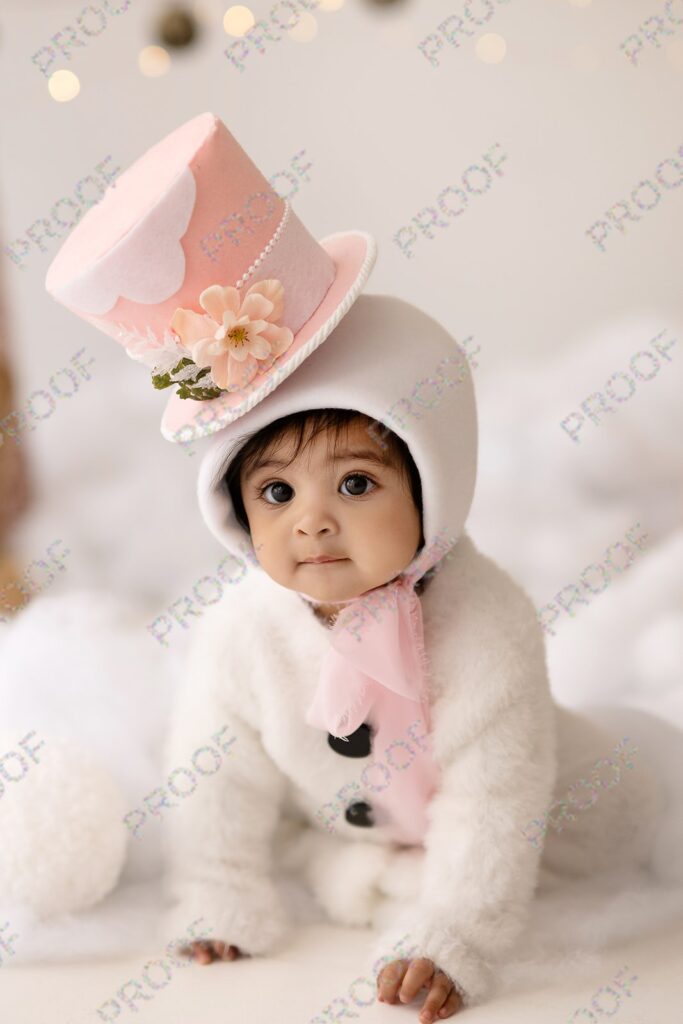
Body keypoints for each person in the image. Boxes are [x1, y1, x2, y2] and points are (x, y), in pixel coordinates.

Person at [43, 111, 662, 1021]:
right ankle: (359, 874)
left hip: (564, 821)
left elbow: (497, 805)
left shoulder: (487, 623)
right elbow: (215, 771)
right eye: (277, 495)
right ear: (235, 510)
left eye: (359, 483)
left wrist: (453, 935)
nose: (314, 522)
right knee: (282, 817)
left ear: (434, 488)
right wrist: (217, 893)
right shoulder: (242, 629)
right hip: (351, 817)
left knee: (639, 795)